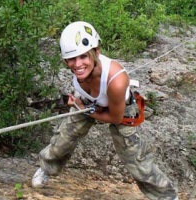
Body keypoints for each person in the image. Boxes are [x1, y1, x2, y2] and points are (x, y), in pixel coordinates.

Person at [32, 21, 179, 200]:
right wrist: (78, 102)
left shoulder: (116, 80)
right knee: (63, 138)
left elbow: (115, 118)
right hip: (88, 103)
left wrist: (85, 110)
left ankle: (168, 197)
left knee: (137, 161)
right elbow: (82, 90)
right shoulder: (79, 69)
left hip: (120, 111)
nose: (77, 64)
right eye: (71, 59)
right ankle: (46, 168)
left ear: (96, 52)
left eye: (83, 56)